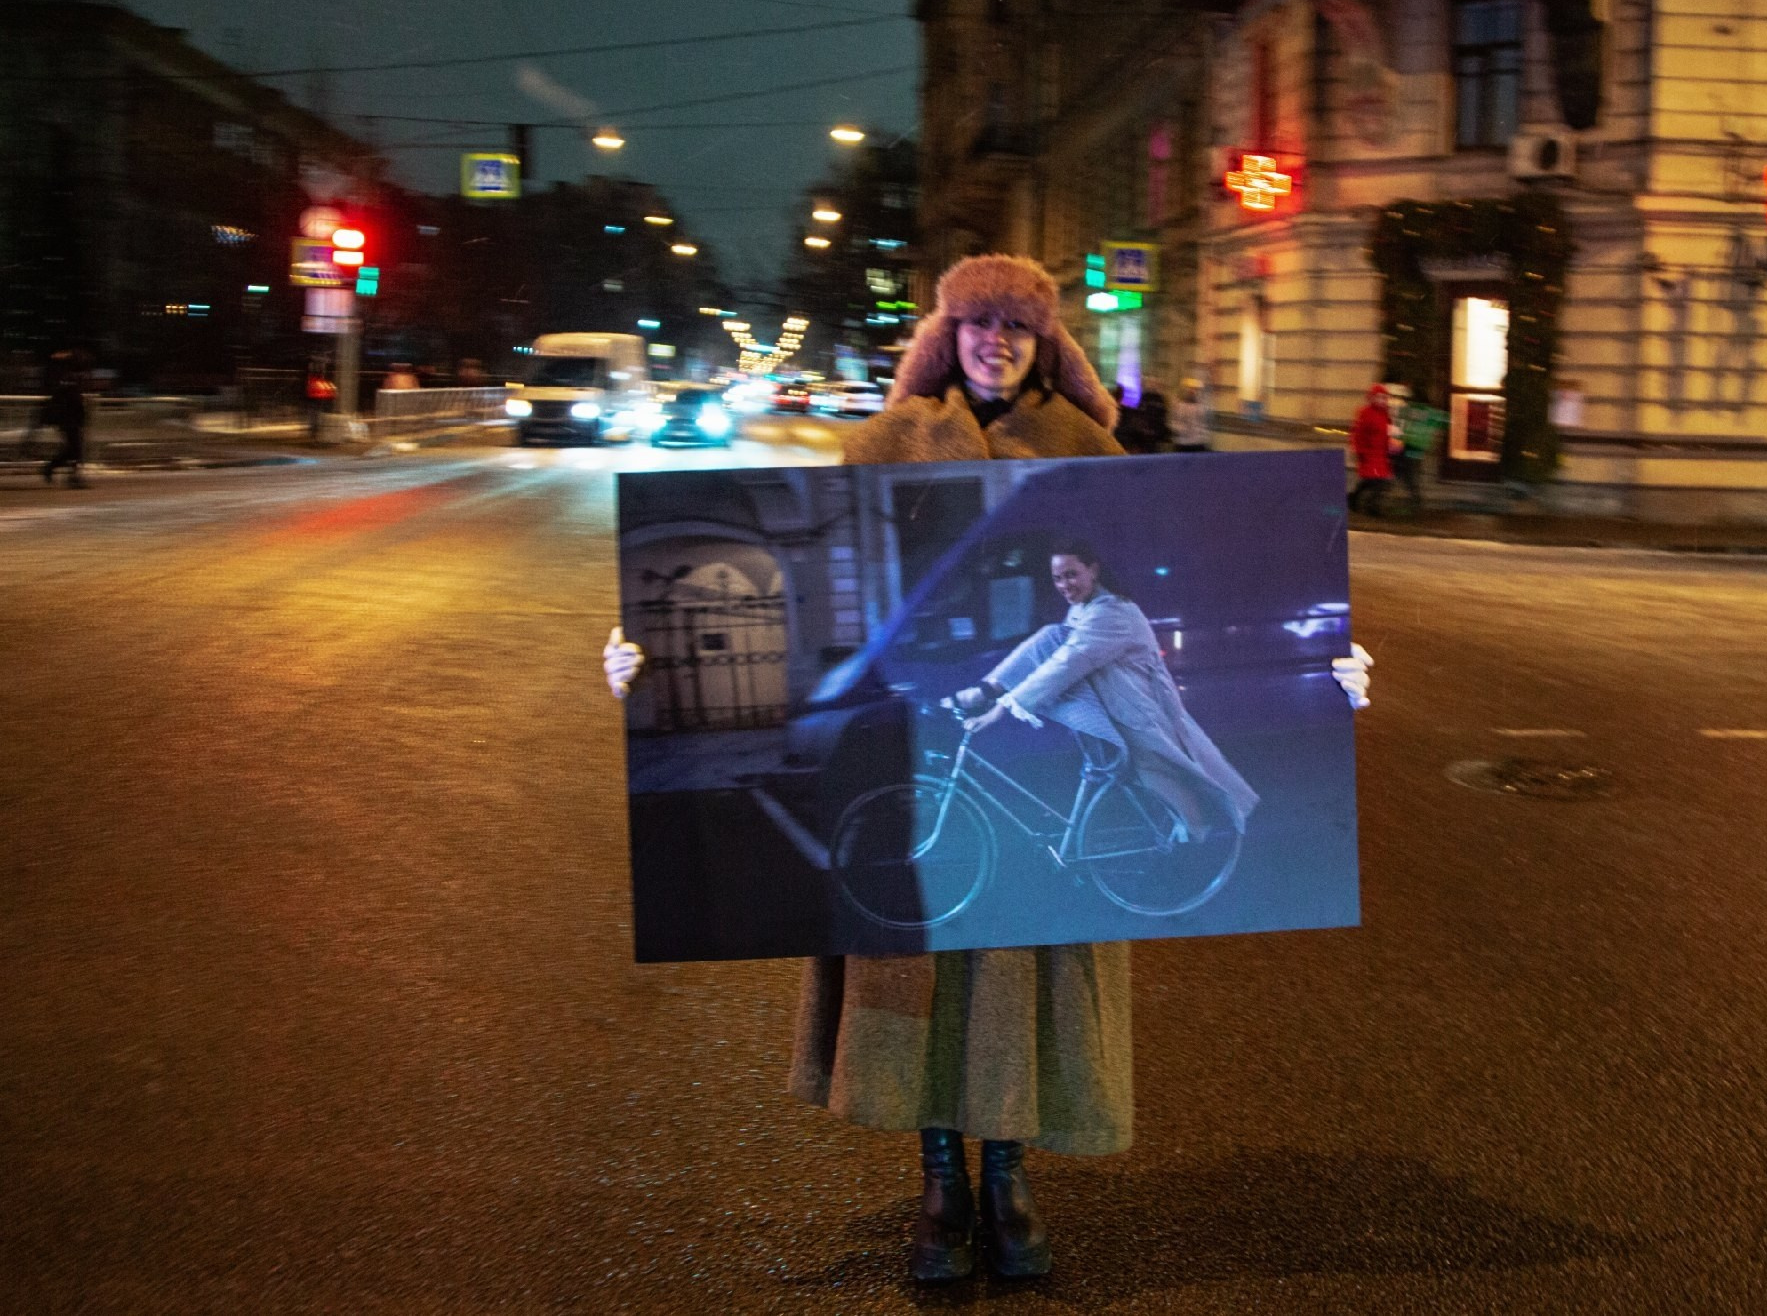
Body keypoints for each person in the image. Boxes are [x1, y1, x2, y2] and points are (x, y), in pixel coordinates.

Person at [602, 253, 1372, 1285]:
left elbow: (1096, 618)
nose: (994, 342)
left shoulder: (1088, 447)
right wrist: (644, 659)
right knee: (919, 955)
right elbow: (792, 603)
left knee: (1029, 960)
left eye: (1015, 326)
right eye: (976, 323)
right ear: (946, 333)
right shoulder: (878, 446)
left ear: (1044, 341)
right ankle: (938, 1176)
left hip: (1072, 730)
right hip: (929, 730)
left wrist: (1337, 672)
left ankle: (1006, 1172)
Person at [956, 536, 1258, 844]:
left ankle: (1197, 842)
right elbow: (1055, 653)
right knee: (1049, 637)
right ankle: (985, 688)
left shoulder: (1112, 613)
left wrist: (1001, 709)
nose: (1064, 585)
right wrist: (997, 694)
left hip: (1140, 712)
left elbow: (1065, 664)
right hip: (1112, 703)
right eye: (1058, 578)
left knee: (1161, 778)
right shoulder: (1083, 608)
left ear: (1093, 570)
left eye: (1072, 574)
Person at [39, 348, 89, 488]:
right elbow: (71, 399)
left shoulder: (66, 376)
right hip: (67, 417)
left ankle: (58, 470)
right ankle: (66, 474)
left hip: (69, 417)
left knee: (75, 448)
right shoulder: (65, 377)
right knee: (75, 448)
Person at [1347, 384, 1396, 518]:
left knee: (1374, 481)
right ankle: (1371, 507)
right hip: (1369, 453)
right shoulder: (1366, 413)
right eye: (1378, 397)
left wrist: (1391, 446)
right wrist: (1360, 451)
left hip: (1381, 453)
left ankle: (1354, 498)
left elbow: (1388, 432)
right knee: (1376, 481)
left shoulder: (1386, 414)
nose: (1381, 400)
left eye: (1383, 397)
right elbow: (1358, 433)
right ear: (1373, 398)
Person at [1397, 388, 1443, 509]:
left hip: (1409, 445)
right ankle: (1414, 495)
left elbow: (1401, 423)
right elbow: (1442, 421)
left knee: (1407, 470)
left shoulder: (1410, 410)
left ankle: (1414, 496)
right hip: (1420, 446)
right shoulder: (1431, 413)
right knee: (1413, 469)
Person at [1169, 380, 1211, 452]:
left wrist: (1203, 434)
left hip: (1198, 442)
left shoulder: (1202, 407)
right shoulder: (1178, 406)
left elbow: (1205, 423)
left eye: (1194, 389)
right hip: (1182, 442)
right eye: (1189, 389)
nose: (1192, 391)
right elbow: (1173, 422)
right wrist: (1181, 430)